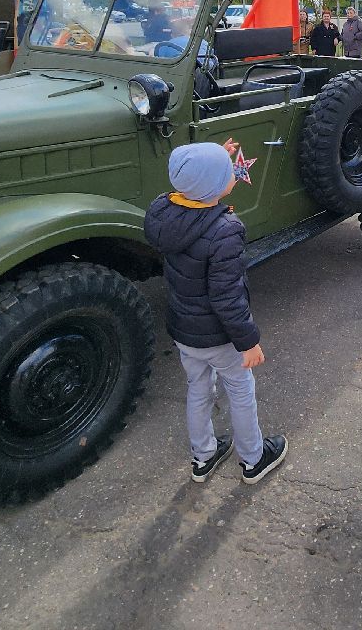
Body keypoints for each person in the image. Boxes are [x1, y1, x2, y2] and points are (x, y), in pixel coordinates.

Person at [144, 142, 288, 485]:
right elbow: (227, 297)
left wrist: (210, 164)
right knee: (240, 390)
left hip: (184, 332)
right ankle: (254, 459)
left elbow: (191, 182)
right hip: (218, 337)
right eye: (227, 171)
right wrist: (247, 342)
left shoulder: (163, 212)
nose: (234, 173)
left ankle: (204, 456)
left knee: (198, 388)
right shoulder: (225, 230)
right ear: (213, 187)